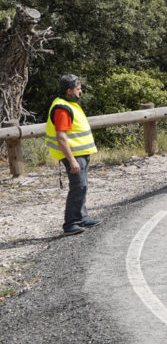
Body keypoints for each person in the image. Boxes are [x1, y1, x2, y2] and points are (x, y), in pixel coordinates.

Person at [44, 74, 100, 235]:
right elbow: (61, 137)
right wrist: (72, 160)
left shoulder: (69, 104)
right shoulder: (62, 108)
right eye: (78, 89)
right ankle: (71, 223)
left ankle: (81, 217)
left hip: (80, 153)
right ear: (69, 90)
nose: (80, 91)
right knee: (78, 187)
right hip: (73, 155)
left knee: (82, 186)